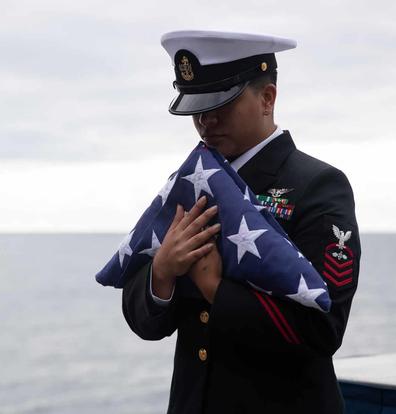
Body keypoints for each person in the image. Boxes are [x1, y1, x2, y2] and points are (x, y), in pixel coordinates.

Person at [122, 30, 361, 414]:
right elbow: (145, 322)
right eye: (198, 108)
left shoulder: (319, 186)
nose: (206, 121)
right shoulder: (194, 183)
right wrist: (162, 273)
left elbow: (323, 329)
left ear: (267, 99)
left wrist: (215, 288)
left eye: (223, 103)